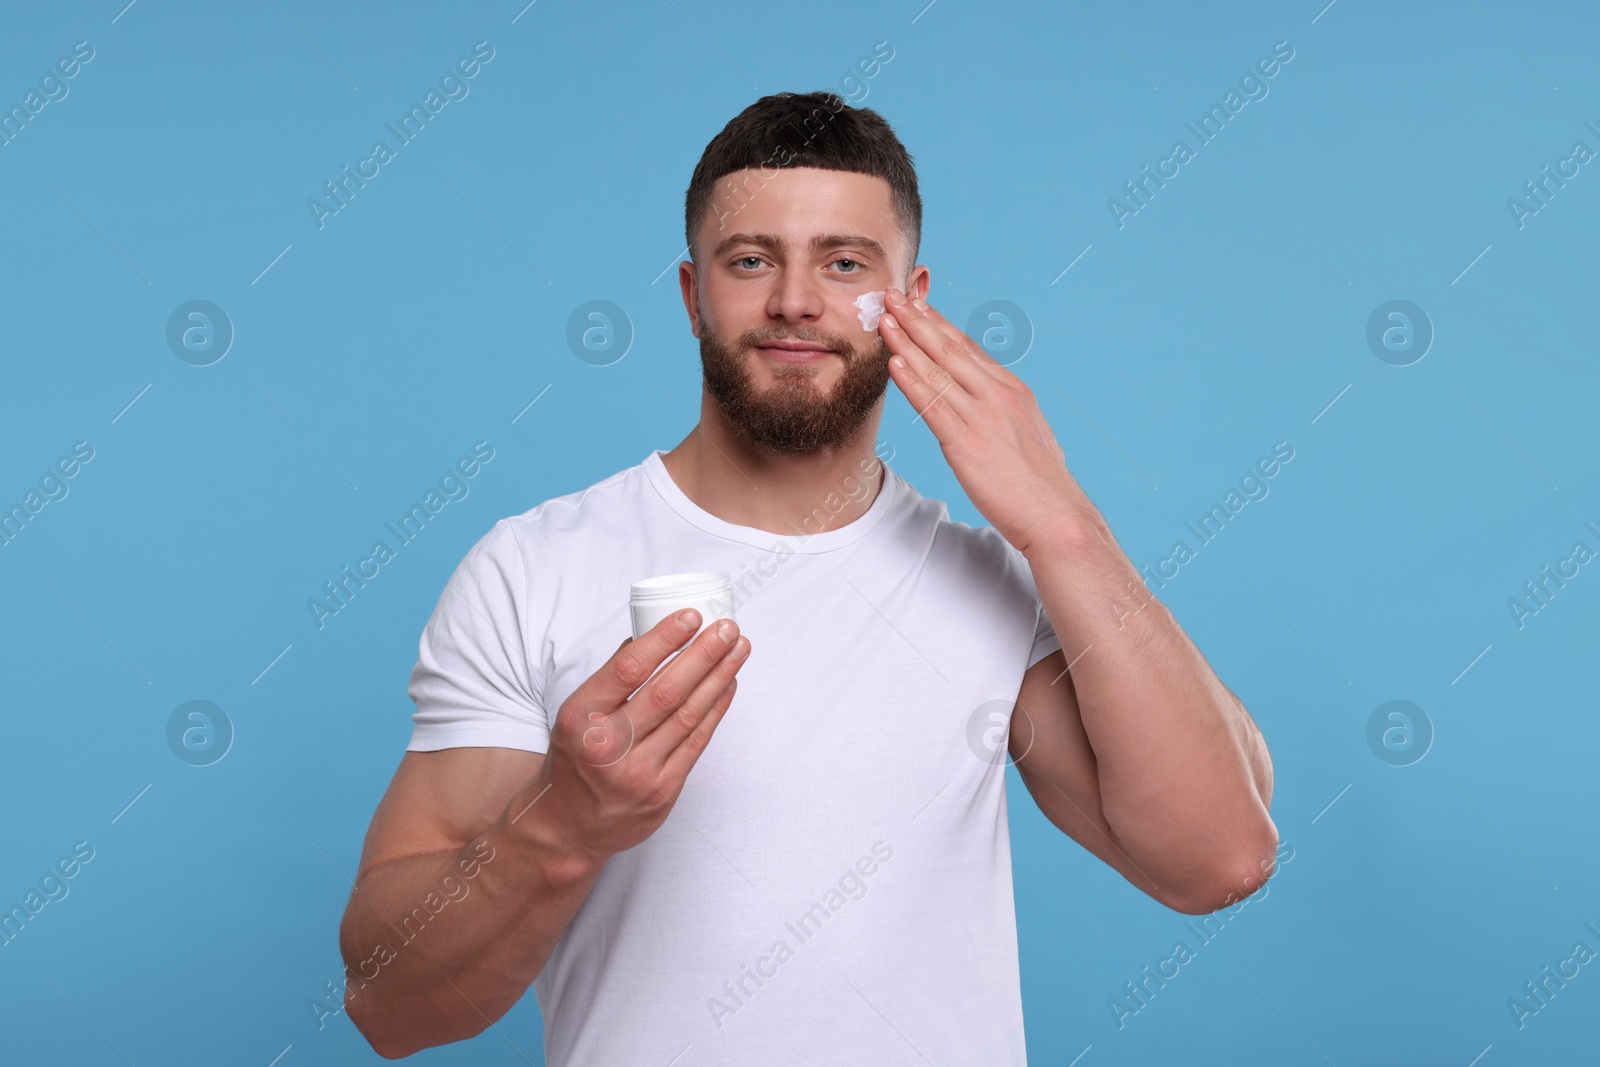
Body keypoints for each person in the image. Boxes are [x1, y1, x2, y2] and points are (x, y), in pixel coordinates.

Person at [338, 90, 1278, 1064]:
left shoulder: (990, 579)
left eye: (842, 262)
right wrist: (563, 822)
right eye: (751, 260)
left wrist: (1063, 525)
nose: (794, 299)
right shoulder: (532, 567)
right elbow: (391, 1005)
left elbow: (1219, 859)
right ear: (692, 294)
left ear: (909, 301)